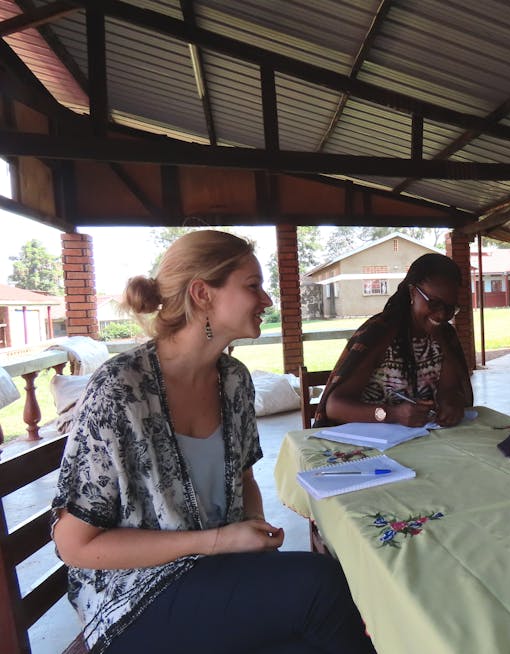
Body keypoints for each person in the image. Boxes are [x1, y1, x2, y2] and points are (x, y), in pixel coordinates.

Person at [51, 230, 375, 654]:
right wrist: (220, 542)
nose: (267, 301)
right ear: (202, 294)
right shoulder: (121, 389)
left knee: (312, 631)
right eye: (253, 286)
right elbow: (73, 545)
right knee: (321, 586)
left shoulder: (234, 381)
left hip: (217, 577)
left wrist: (256, 540)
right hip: (132, 599)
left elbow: (243, 480)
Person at [314, 252, 473, 428]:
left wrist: (451, 403)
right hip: (371, 441)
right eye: (434, 303)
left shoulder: (445, 335)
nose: (442, 314)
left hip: (423, 440)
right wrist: (392, 414)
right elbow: (334, 407)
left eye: (451, 307)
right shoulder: (381, 333)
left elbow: (450, 389)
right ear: (413, 292)